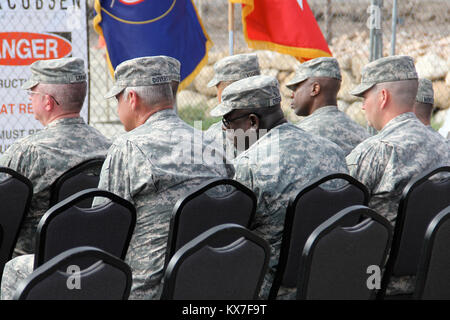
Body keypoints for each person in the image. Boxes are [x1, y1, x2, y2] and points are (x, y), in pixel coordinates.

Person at [92, 56, 229, 299]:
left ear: (131, 98)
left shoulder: (128, 147)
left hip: (146, 290)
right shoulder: (213, 144)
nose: (117, 107)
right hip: (210, 286)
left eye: (117, 98)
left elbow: (103, 232)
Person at [210, 75, 349, 299]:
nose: (224, 130)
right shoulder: (332, 151)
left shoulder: (248, 165)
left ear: (252, 122)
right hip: (327, 284)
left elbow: (227, 240)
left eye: (227, 121)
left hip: (269, 290)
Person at [0, 57, 111, 300]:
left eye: (32, 91)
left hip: (32, 272)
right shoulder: (109, 148)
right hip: (93, 268)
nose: (29, 96)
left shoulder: (27, 152)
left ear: (48, 102)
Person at [346, 55, 450, 296]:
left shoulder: (374, 151)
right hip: (434, 279)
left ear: (382, 97)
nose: (362, 105)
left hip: (377, 284)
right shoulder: (444, 147)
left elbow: (341, 222)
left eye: (364, 96)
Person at [287, 57, 369, 155]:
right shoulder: (362, 134)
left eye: (295, 88)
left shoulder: (300, 135)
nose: (292, 95)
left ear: (315, 89)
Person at [204, 53, 261, 161]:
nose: (217, 95)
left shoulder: (212, 137)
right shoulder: (275, 123)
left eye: (218, 88)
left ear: (230, 91)